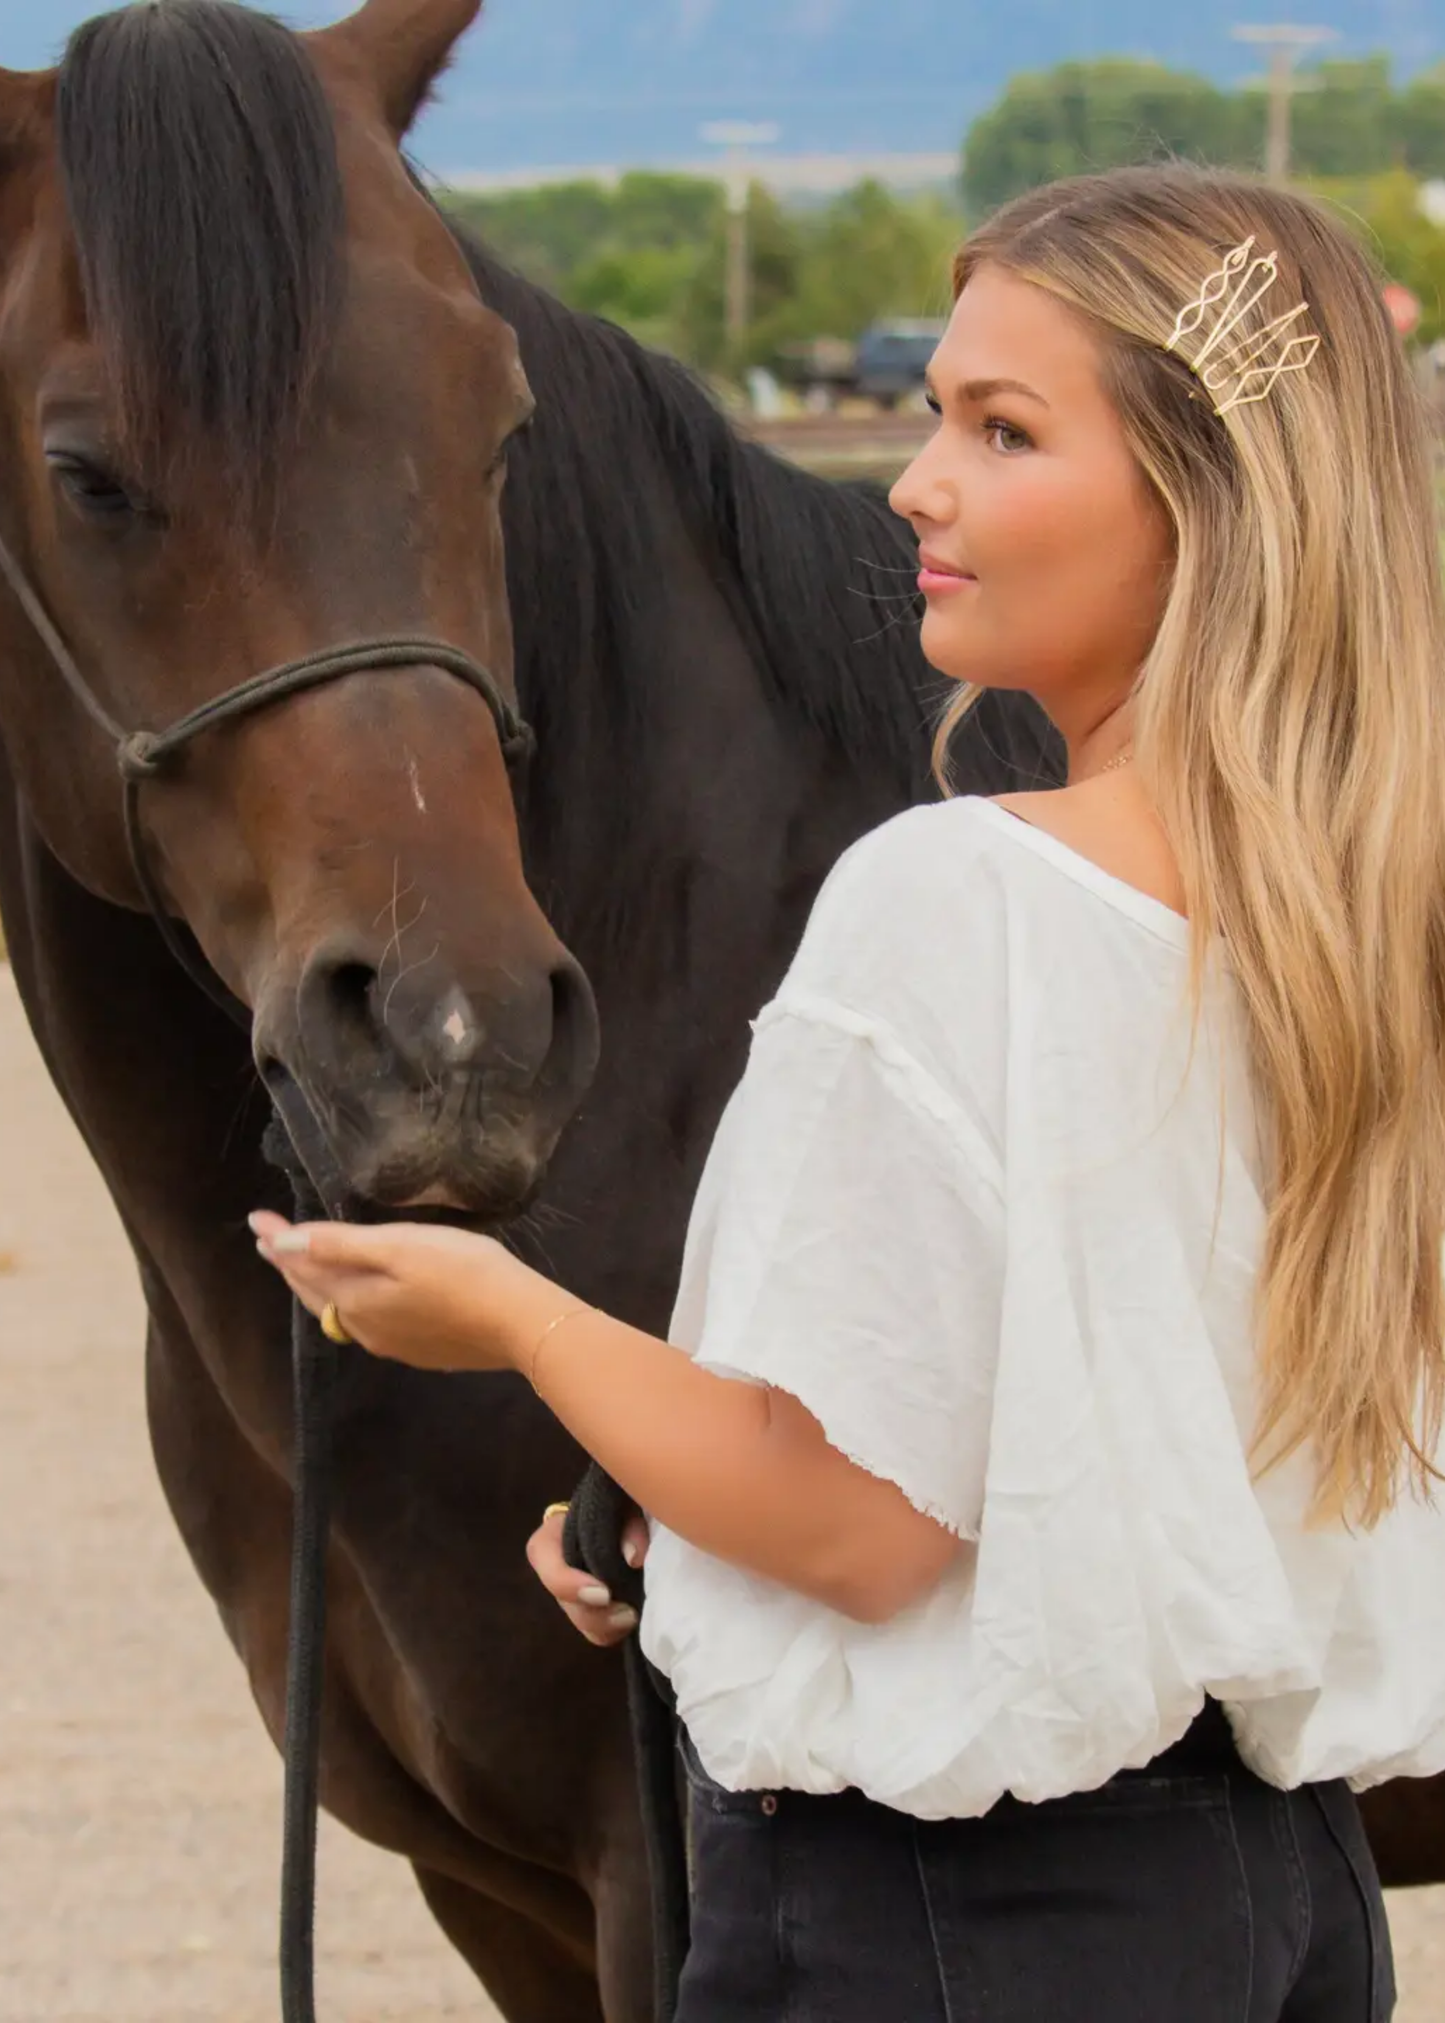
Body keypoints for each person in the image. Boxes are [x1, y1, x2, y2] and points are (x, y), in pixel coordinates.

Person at [250, 163, 1445, 2020]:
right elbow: (1080, 1462)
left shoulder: (959, 892)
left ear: (1207, 498)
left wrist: (517, 1321)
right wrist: (679, 1510)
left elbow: (865, 1528)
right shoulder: (1350, 925)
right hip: (1284, 1900)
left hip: (956, 1926)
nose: (915, 480)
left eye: (1005, 428)